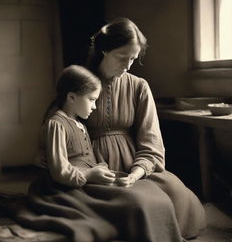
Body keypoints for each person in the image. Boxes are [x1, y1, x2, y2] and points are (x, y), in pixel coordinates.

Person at [7, 65, 184, 242]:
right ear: (71, 97)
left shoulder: (80, 124)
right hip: (68, 186)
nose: (94, 107)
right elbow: (60, 171)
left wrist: (100, 173)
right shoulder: (57, 124)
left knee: (149, 192)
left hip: (88, 179)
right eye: (91, 100)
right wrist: (90, 174)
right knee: (135, 202)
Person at [85, 17, 206, 240]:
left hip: (132, 162)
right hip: (91, 162)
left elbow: (151, 140)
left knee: (178, 196)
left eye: (133, 58)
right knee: (138, 205)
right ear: (103, 50)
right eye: (122, 57)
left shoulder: (139, 86)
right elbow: (61, 127)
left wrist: (136, 173)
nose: (128, 65)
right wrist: (84, 170)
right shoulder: (79, 82)